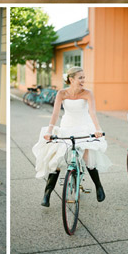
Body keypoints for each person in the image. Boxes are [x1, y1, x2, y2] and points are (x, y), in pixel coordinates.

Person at [32, 66, 110, 207]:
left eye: (84, 77)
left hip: (84, 127)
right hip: (67, 127)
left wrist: (97, 129)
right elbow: (55, 114)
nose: (83, 80)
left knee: (87, 158)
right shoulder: (62, 93)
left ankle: (99, 186)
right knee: (56, 159)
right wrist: (49, 131)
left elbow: (92, 112)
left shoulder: (87, 93)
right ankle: (47, 194)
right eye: (80, 78)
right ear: (71, 79)